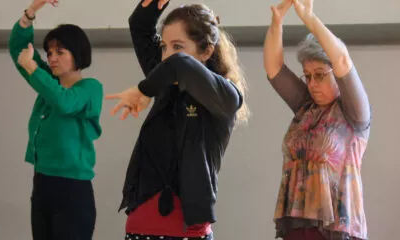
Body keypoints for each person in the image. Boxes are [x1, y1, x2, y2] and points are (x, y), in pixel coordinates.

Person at [104, 0, 250, 239]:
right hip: (139, 227)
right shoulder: (164, 84)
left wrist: (143, 90)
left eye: (177, 46)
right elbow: (139, 25)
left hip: (187, 232)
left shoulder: (226, 96)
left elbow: (180, 65)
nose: (166, 56)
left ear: (207, 51)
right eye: (163, 47)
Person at [263, 0, 371, 239]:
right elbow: (274, 69)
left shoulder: (354, 112)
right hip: (297, 227)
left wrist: (310, 20)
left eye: (320, 75)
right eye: (308, 76)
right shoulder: (305, 107)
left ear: (338, 77)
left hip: (335, 231)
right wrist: (276, 23)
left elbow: (341, 60)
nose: (312, 84)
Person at [8, 0, 103, 239]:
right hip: (42, 186)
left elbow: (65, 102)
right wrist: (31, 12)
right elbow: (18, 49)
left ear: (78, 53)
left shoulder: (90, 88)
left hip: (72, 191)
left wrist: (32, 68)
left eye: (60, 52)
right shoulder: (48, 86)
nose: (51, 58)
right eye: (49, 52)